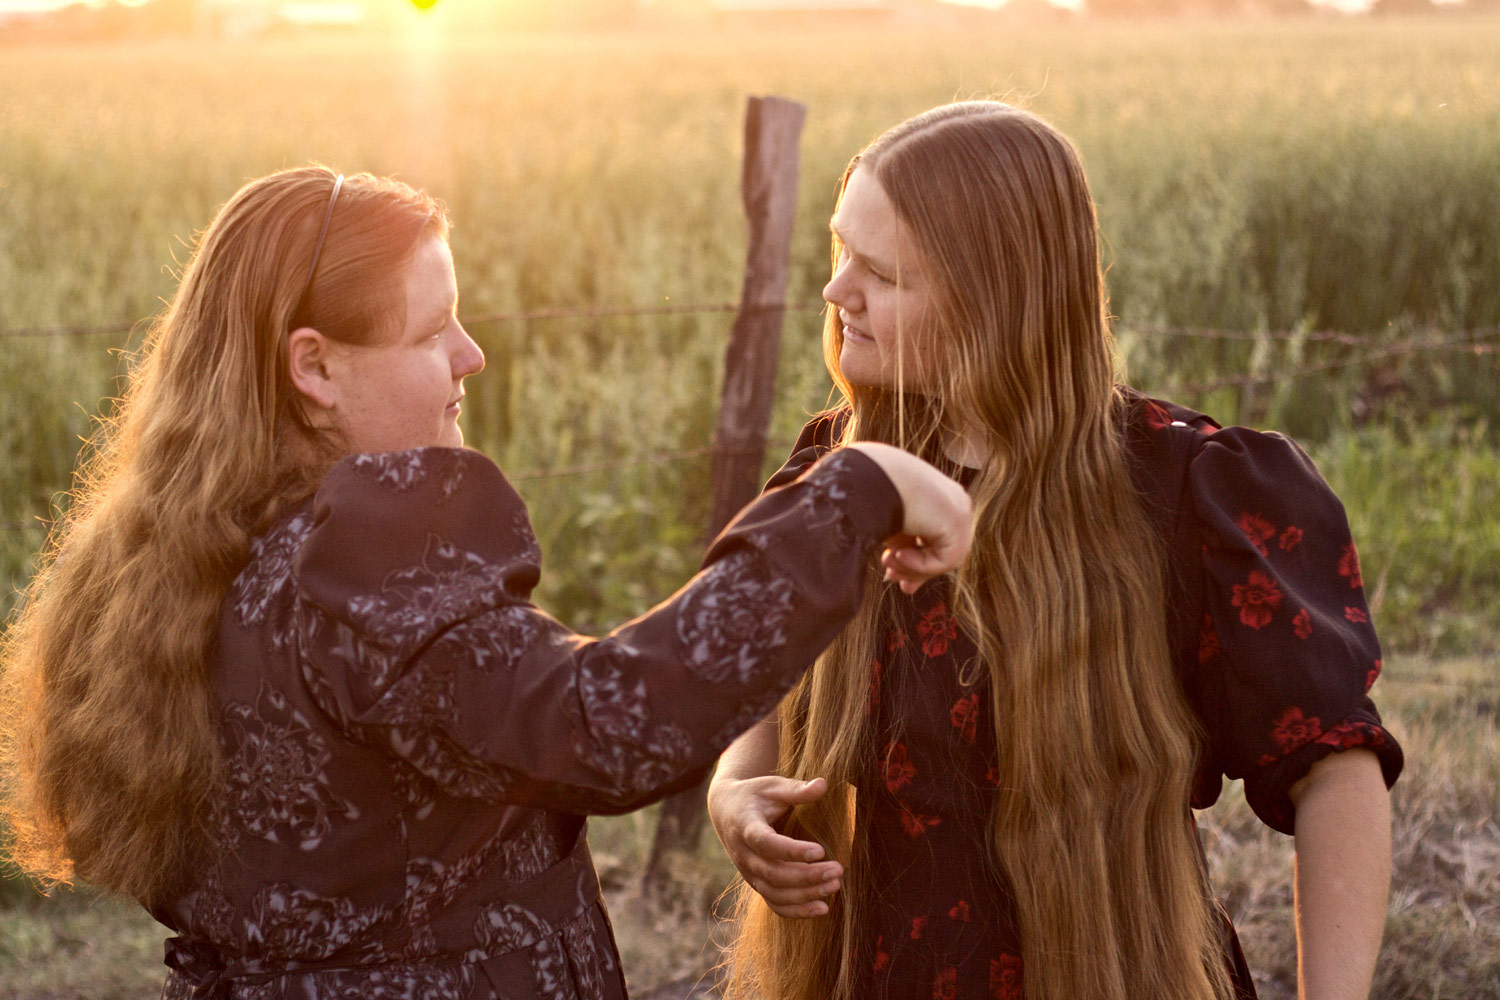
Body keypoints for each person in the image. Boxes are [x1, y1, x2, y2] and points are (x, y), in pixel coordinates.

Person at [0, 166, 974, 1000]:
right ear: (315, 368)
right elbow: (606, 728)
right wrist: (853, 492)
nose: (471, 356)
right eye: (432, 334)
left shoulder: (176, 557)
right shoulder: (368, 542)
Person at [708, 102, 1403, 1000]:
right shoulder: (840, 474)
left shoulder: (1184, 495)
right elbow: (759, 666)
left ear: (994, 299)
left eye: (878, 272)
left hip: (1114, 971)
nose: (838, 293)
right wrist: (736, 790)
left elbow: (1334, 765)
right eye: (839, 251)